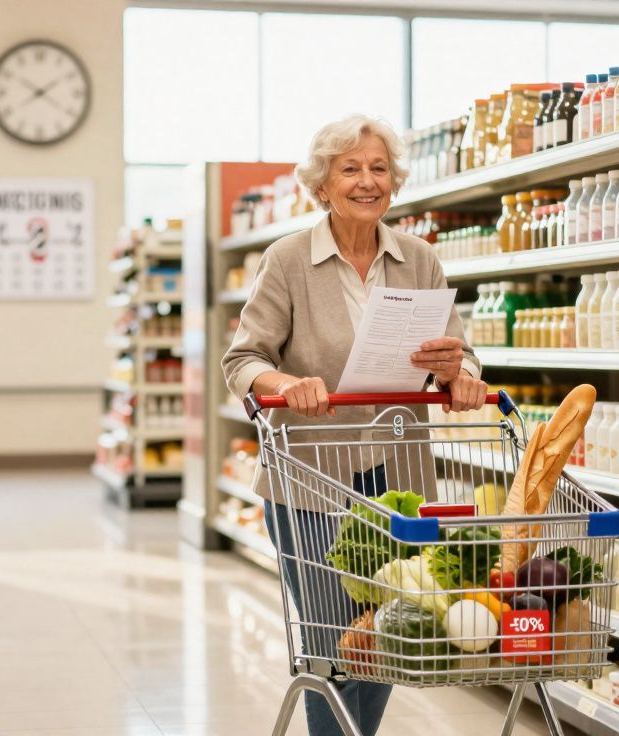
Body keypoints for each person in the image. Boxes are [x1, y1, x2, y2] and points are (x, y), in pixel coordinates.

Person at [221, 114, 487, 736]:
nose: (368, 181)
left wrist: (461, 371)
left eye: (379, 169)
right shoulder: (287, 260)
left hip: (398, 477)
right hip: (311, 477)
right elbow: (243, 360)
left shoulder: (419, 258)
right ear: (322, 185)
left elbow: (458, 351)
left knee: (389, 636)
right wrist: (290, 385)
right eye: (350, 169)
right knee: (332, 644)